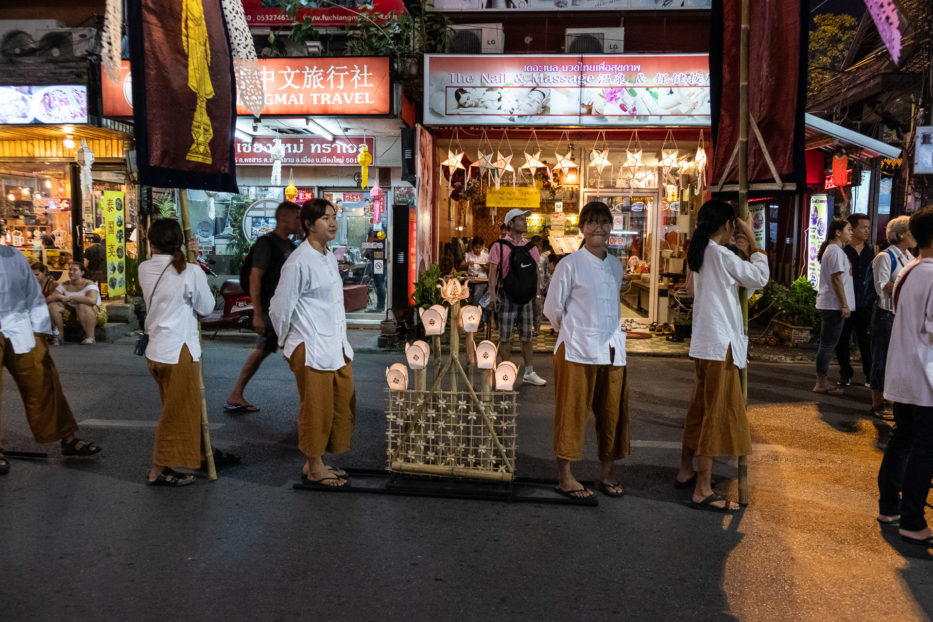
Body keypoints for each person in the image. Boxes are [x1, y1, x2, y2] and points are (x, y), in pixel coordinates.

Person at [674, 200, 769, 512]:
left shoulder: (702, 253)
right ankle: (702, 488)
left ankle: (686, 470)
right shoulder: (719, 254)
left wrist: (740, 249)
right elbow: (758, 279)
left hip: (705, 343)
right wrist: (753, 243)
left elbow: (733, 288)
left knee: (700, 409)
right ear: (727, 225)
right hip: (720, 344)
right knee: (715, 415)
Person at [544, 202, 630, 500]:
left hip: (611, 349)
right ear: (582, 228)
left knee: (611, 415)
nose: (598, 228)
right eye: (591, 222)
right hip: (576, 350)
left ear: (611, 227)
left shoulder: (616, 265)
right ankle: (565, 477)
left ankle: (605, 475)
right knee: (571, 414)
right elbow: (552, 309)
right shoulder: (570, 264)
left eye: (604, 222)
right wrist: (573, 330)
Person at [270, 199, 356, 489]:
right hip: (311, 346)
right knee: (315, 408)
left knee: (341, 401)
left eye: (333, 217)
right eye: (324, 219)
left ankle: (314, 461)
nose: (332, 223)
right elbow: (279, 308)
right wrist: (287, 342)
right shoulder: (298, 262)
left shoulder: (327, 255)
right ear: (308, 225)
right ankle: (315, 467)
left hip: (334, 344)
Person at [0, 241, 102, 475]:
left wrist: (41, 329)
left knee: (45, 381)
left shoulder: (12, 256)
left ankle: (67, 438)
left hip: (18, 327)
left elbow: (32, 292)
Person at [139, 218, 219, 486]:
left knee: (179, 409)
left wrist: (190, 260)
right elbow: (206, 307)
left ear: (151, 242)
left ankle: (197, 452)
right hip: (179, 352)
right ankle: (158, 468)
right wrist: (194, 263)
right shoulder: (190, 272)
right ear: (180, 242)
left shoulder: (144, 268)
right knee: (176, 413)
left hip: (156, 351)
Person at [875, 205, 933, 545]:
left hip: (904, 372)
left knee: (903, 439)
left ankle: (890, 506)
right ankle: (913, 519)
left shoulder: (909, 269)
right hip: (925, 375)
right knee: (924, 448)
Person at [224, 201, 301, 413]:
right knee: (291, 351)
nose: (299, 222)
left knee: (267, 349)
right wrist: (257, 313)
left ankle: (236, 393)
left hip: (284, 310)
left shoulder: (291, 246)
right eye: (297, 217)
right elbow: (255, 277)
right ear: (285, 218)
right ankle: (236, 393)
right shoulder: (266, 244)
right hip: (271, 311)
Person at [488, 208, 547, 386]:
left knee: (527, 338)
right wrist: (492, 294)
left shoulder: (531, 248)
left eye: (525, 219)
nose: (525, 222)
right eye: (521, 219)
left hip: (526, 299)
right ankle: (504, 373)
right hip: (506, 297)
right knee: (505, 338)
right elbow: (492, 272)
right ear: (510, 224)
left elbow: (536, 272)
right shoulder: (498, 246)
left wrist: (537, 295)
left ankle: (529, 372)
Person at [868, 216, 915, 419]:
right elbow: (882, 288)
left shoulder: (909, 257)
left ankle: (891, 398)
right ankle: (878, 402)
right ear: (902, 234)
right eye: (912, 232)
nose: (916, 237)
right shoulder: (885, 257)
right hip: (885, 314)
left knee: (897, 359)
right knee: (882, 357)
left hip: (901, 314)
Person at [813, 219, 855, 395]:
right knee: (828, 345)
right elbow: (837, 279)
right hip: (833, 305)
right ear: (838, 232)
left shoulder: (833, 250)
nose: (851, 233)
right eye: (849, 229)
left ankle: (822, 380)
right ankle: (821, 382)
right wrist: (844, 305)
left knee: (827, 344)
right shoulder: (835, 251)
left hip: (831, 304)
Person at [837, 213, 875, 386]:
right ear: (853, 229)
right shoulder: (842, 250)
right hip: (845, 302)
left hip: (865, 303)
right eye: (863, 227)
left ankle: (869, 374)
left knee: (866, 340)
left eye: (868, 227)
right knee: (843, 339)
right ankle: (846, 373)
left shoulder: (872, 251)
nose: (867, 230)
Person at [49, 262, 104, 345]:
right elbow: (48, 299)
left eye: (75, 270)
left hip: (94, 312)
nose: (71, 272)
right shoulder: (65, 284)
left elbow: (92, 301)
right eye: (70, 269)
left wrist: (72, 297)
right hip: (72, 314)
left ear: (82, 272)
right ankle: (59, 336)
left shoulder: (89, 284)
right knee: (53, 305)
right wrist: (58, 297)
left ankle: (90, 337)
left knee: (82, 305)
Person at [30, 262, 61, 344]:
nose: (35, 277)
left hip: (50, 307)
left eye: (37, 274)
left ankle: (54, 334)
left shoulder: (53, 284)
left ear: (44, 272)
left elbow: (55, 298)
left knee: (48, 308)